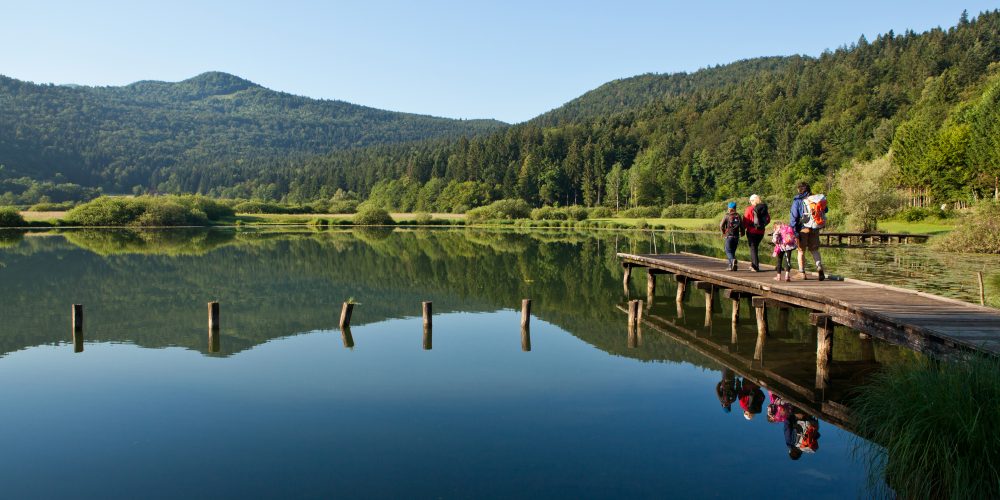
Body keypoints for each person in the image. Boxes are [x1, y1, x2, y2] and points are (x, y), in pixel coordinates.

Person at [789, 182, 827, 280]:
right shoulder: (816, 199)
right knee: (814, 250)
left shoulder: (797, 200)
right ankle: (819, 267)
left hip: (803, 228)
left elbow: (794, 216)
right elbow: (825, 209)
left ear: (799, 190)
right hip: (815, 227)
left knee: (801, 251)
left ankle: (802, 272)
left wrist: (793, 230)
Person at [743, 195, 769, 272]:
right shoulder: (763, 208)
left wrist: (744, 229)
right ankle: (753, 264)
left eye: (750, 201)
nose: (750, 203)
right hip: (761, 232)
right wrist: (762, 226)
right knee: (755, 247)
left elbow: (745, 220)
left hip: (751, 231)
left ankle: (755, 266)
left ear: (753, 201)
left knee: (753, 248)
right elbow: (768, 219)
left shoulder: (749, 209)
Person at [719, 201, 744, 271]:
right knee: (732, 251)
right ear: (735, 208)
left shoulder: (727, 215)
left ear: (729, 208)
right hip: (736, 237)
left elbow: (721, 225)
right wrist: (742, 233)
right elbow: (742, 226)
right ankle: (731, 266)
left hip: (729, 236)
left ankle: (733, 260)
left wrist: (723, 232)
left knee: (728, 251)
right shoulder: (738, 215)